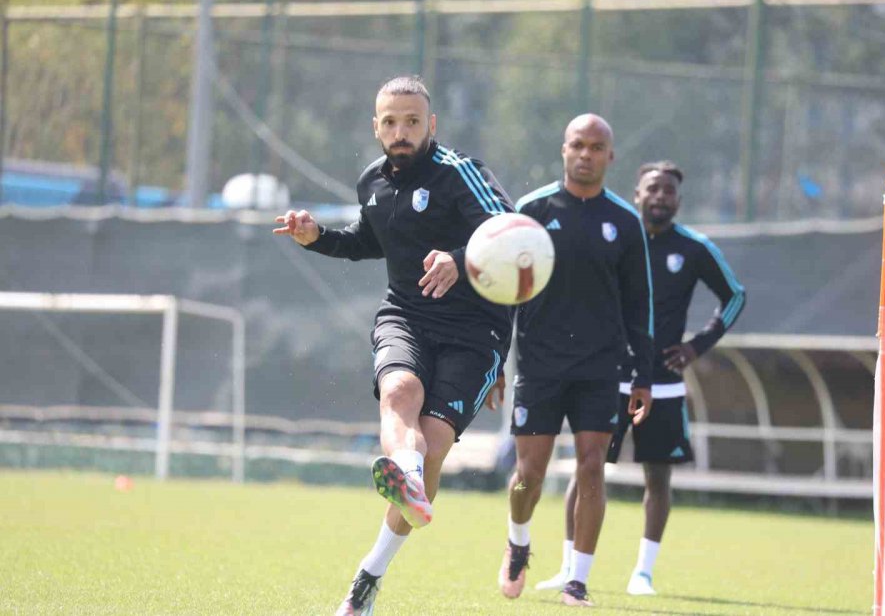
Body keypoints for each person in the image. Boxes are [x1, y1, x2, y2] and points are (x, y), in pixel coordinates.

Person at [274, 76, 514, 616]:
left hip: (476, 331)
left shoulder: (460, 172)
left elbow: (509, 233)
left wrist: (459, 257)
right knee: (399, 389)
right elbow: (365, 240)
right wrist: (317, 238)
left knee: (432, 448)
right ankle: (402, 466)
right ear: (375, 127)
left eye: (411, 121)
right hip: (405, 314)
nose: (400, 131)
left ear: (431, 124)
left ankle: (370, 571)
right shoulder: (372, 182)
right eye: (390, 122)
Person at [534, 160, 746, 596]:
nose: (660, 197)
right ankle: (569, 566)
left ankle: (643, 573)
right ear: (636, 194)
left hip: (663, 383)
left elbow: (735, 297)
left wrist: (696, 346)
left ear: (678, 200)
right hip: (608, 375)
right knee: (587, 469)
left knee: (658, 478)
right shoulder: (617, 236)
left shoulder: (693, 248)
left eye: (668, 191)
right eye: (653, 189)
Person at [498, 114, 654, 608]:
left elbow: (638, 303)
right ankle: (518, 544)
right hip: (540, 365)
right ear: (563, 150)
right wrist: (495, 364)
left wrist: (643, 375)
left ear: (611, 156)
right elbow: (503, 293)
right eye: (577, 145)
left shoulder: (625, 222)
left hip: (599, 369)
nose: (585, 154)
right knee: (529, 476)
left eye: (596, 147)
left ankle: (577, 582)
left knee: (591, 469)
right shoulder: (533, 210)